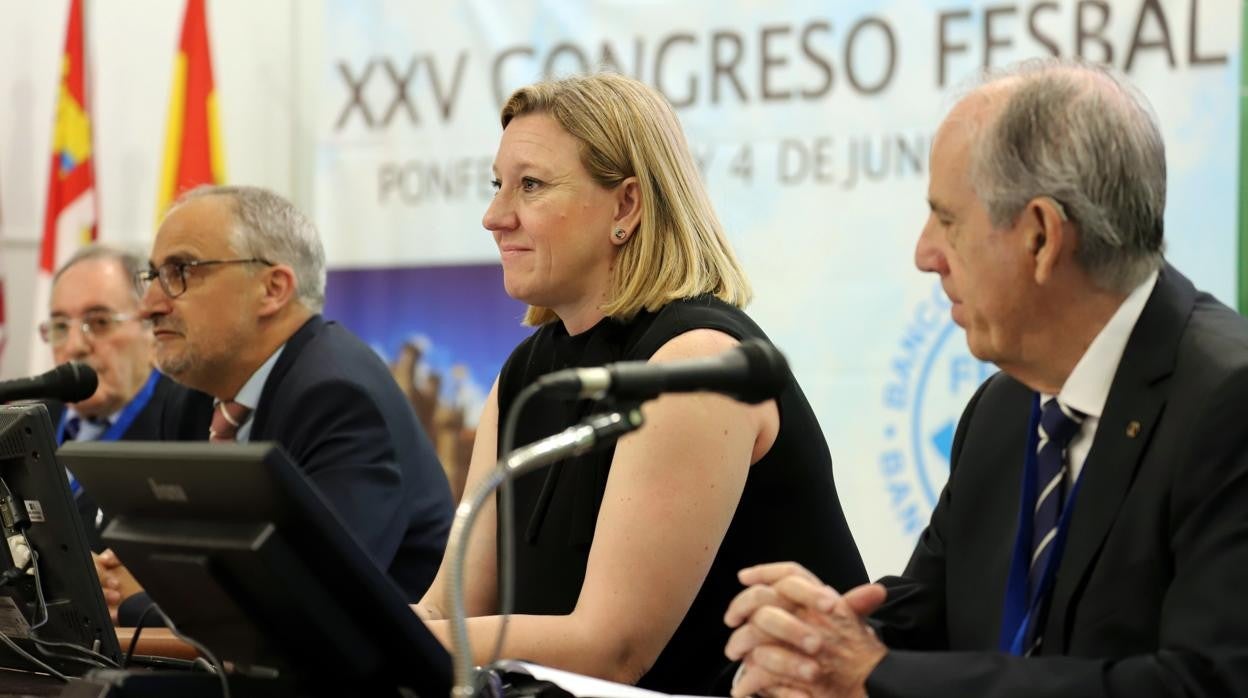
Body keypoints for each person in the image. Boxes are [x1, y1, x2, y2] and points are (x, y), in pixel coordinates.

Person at [724, 58, 1248, 698]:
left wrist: (873, 674)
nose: (925, 254)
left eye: (947, 220)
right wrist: (819, 635)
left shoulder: (1228, 403)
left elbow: (1203, 684)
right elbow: (933, 613)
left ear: (1040, 237)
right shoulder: (1002, 408)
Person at [412, 72, 866, 695]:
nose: (494, 216)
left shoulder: (694, 362)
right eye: (498, 185)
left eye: (531, 186)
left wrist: (391, 643)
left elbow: (612, 650)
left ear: (625, 206)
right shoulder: (528, 372)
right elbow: (448, 608)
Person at [110, 184, 455, 624]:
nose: (150, 306)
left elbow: (311, 601)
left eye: (181, 271)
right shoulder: (191, 398)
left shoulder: (339, 398)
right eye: (153, 276)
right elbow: (173, 560)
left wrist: (138, 602)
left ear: (273, 289)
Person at [41, 244, 212, 554]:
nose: (75, 346)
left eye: (100, 322)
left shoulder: (192, 424)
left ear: (150, 329)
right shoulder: (31, 423)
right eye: (60, 327)